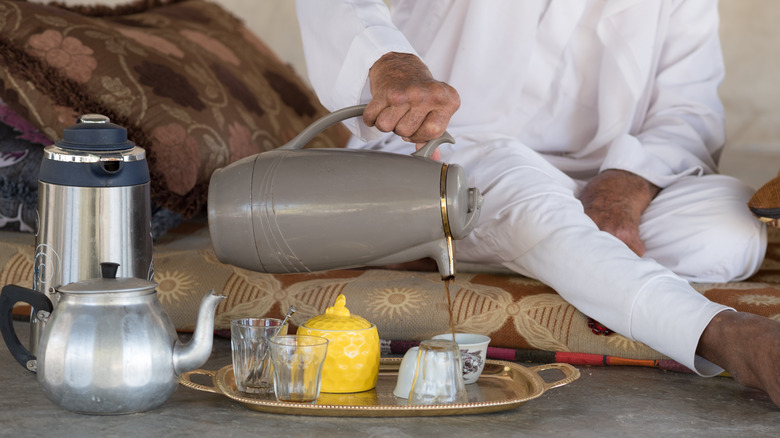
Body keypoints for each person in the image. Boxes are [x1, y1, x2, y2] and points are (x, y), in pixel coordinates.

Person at [295, 0, 780, 407]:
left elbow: (687, 109)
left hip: (607, 170)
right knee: (528, 203)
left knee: (729, 228)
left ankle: (535, 251)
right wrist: (389, 62)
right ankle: (726, 335)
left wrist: (624, 183)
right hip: (453, 149)